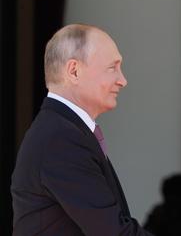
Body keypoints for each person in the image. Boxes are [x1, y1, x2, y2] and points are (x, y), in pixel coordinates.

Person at [11, 24, 153, 236]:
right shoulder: (61, 138)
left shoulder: (61, 130)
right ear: (74, 71)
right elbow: (112, 232)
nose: (123, 80)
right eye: (112, 68)